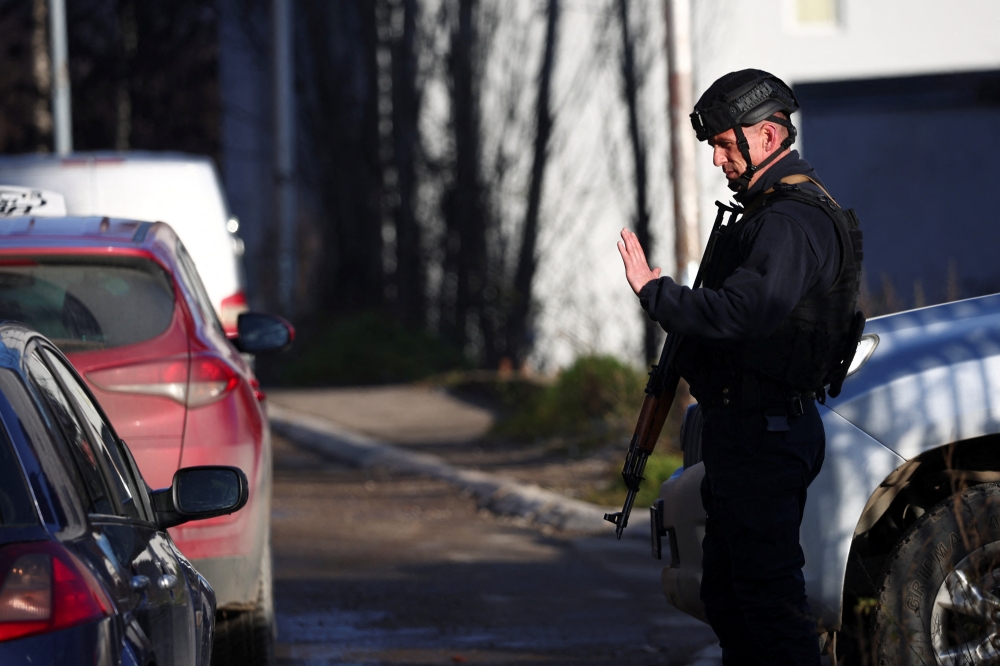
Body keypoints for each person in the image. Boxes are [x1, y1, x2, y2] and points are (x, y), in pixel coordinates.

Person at [617, 69, 863, 665]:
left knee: (769, 606)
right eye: (715, 147)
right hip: (751, 435)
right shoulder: (770, 212)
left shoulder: (789, 220)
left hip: (767, 437)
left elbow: (745, 313)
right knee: (730, 596)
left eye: (727, 144)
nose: (718, 159)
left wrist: (656, 292)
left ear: (769, 135)